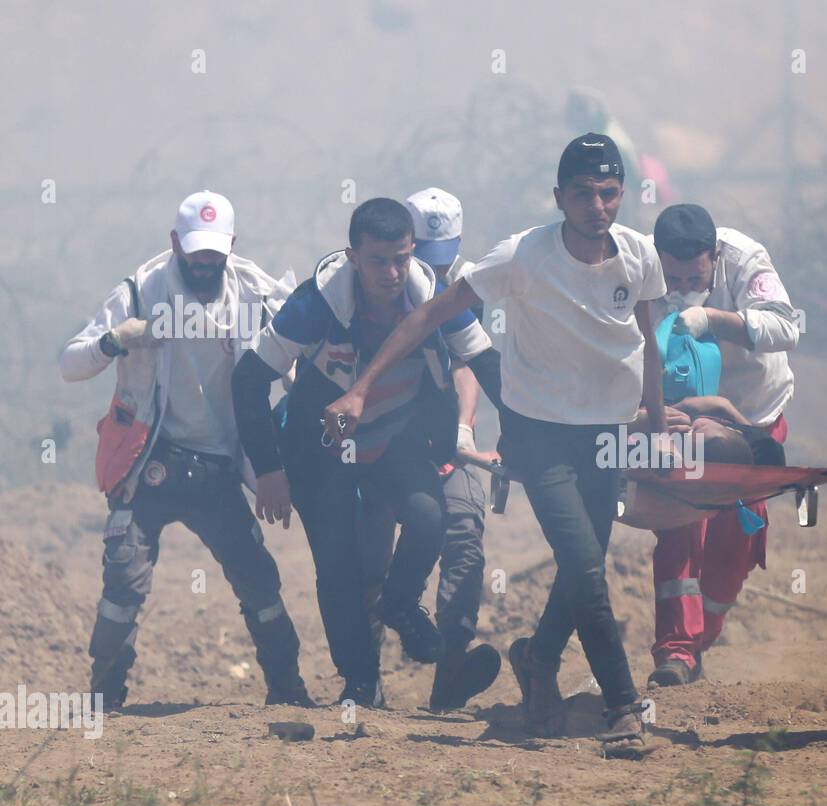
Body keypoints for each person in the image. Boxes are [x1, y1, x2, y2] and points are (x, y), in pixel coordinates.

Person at [324, 134, 670, 752]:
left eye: (609, 192)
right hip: (539, 437)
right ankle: (622, 704)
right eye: (584, 193)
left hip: (608, 436)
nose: (598, 205)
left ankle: (537, 660)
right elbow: (428, 318)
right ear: (559, 196)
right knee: (587, 567)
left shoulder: (640, 256)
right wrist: (361, 390)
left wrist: (661, 423)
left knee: (578, 565)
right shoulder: (523, 256)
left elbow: (650, 345)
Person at [231, 198, 500, 709]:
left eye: (401, 258)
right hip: (320, 448)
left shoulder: (433, 295)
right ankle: (358, 686)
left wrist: (524, 432)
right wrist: (269, 471)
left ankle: (401, 606)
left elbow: (485, 360)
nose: (392, 273)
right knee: (337, 566)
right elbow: (248, 378)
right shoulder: (316, 303)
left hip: (394, 437)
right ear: (354, 257)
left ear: (413, 252)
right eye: (378, 261)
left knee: (428, 518)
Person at [60, 191, 310, 710]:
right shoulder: (141, 288)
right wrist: (115, 341)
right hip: (148, 464)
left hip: (218, 467)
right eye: (195, 252)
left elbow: (300, 354)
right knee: (123, 582)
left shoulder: (252, 291)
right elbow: (71, 362)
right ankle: (105, 699)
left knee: (258, 581)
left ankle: (288, 690)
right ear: (175, 242)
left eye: (215, 254)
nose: (204, 263)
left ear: (231, 246)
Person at [354, 187, 501, 712]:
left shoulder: (471, 288)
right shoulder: (371, 286)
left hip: (445, 442)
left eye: (442, 262)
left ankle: (451, 672)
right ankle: (363, 682)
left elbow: (471, 362)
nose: (430, 275)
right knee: (369, 558)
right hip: (380, 444)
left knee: (464, 534)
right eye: (423, 262)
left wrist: (464, 429)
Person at [643, 204, 799, 686]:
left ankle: (705, 631)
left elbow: (786, 328)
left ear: (715, 255)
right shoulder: (640, 267)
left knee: (737, 535)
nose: (682, 286)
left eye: (694, 275)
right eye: (672, 276)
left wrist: (711, 317)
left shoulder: (746, 258)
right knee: (679, 524)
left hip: (751, 418)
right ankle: (676, 649)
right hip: (682, 420)